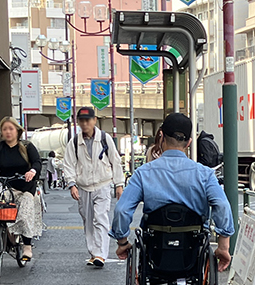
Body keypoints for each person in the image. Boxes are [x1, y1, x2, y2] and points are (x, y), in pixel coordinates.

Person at [111, 113, 234, 271]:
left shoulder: (143, 173)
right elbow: (222, 205)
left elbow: (122, 209)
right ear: (189, 142)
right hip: (192, 252)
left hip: (155, 252)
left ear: (161, 136)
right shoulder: (205, 174)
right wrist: (223, 246)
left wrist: (122, 241)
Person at [61, 106, 125, 268]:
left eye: (87, 120)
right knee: (88, 221)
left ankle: (100, 254)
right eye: (81, 121)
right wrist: (72, 184)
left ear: (94, 120)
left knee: (100, 218)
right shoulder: (75, 142)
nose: (84, 124)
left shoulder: (104, 138)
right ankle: (93, 253)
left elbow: (115, 162)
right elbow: (68, 165)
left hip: (103, 184)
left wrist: (119, 184)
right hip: (83, 186)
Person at [0, 117, 43, 262]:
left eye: (11, 129)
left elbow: (37, 162)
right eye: (5, 129)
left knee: (25, 211)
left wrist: (32, 171)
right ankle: (3, 229)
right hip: (8, 184)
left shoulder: (26, 146)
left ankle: (27, 245)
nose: (8, 132)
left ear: (17, 131)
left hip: (26, 186)